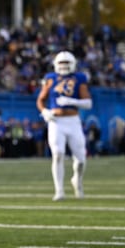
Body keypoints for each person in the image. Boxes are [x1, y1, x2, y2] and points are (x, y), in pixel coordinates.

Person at [36, 51, 92, 201]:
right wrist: (45, 111)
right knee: (58, 154)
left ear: (72, 64)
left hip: (73, 121)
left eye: (66, 63)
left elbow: (88, 103)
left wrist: (71, 102)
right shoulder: (50, 78)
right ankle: (59, 190)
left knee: (80, 160)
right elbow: (40, 100)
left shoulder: (79, 78)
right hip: (56, 122)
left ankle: (77, 181)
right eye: (61, 63)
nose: (63, 66)